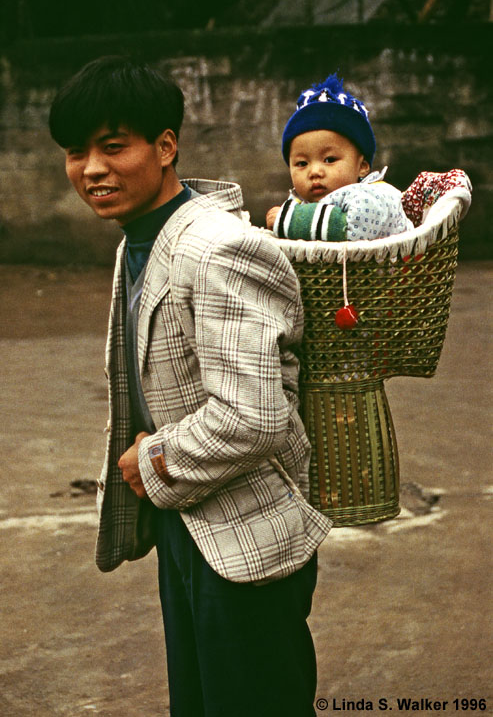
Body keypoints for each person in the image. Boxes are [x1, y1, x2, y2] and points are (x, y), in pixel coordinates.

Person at [49, 55, 332, 717]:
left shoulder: (217, 247)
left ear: (166, 145)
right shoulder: (142, 240)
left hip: (244, 537)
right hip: (189, 522)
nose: (91, 169)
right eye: (75, 152)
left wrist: (152, 459)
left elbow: (254, 415)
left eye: (112, 147)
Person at [266, 74, 414, 241]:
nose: (314, 171)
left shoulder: (374, 194)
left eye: (329, 160)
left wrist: (290, 221)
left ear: (363, 166)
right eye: (302, 163)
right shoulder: (299, 204)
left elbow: (356, 228)